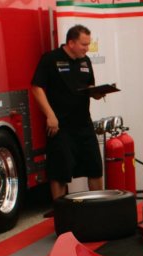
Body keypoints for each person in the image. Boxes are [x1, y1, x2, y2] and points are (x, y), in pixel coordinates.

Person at [31, 25, 103, 200]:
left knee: (95, 167)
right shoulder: (50, 59)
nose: (87, 49)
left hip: (84, 124)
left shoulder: (85, 61)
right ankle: (60, 212)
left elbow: (90, 87)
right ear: (71, 43)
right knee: (59, 172)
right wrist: (50, 115)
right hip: (60, 126)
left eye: (88, 44)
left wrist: (97, 93)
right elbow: (36, 87)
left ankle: (98, 208)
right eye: (83, 44)